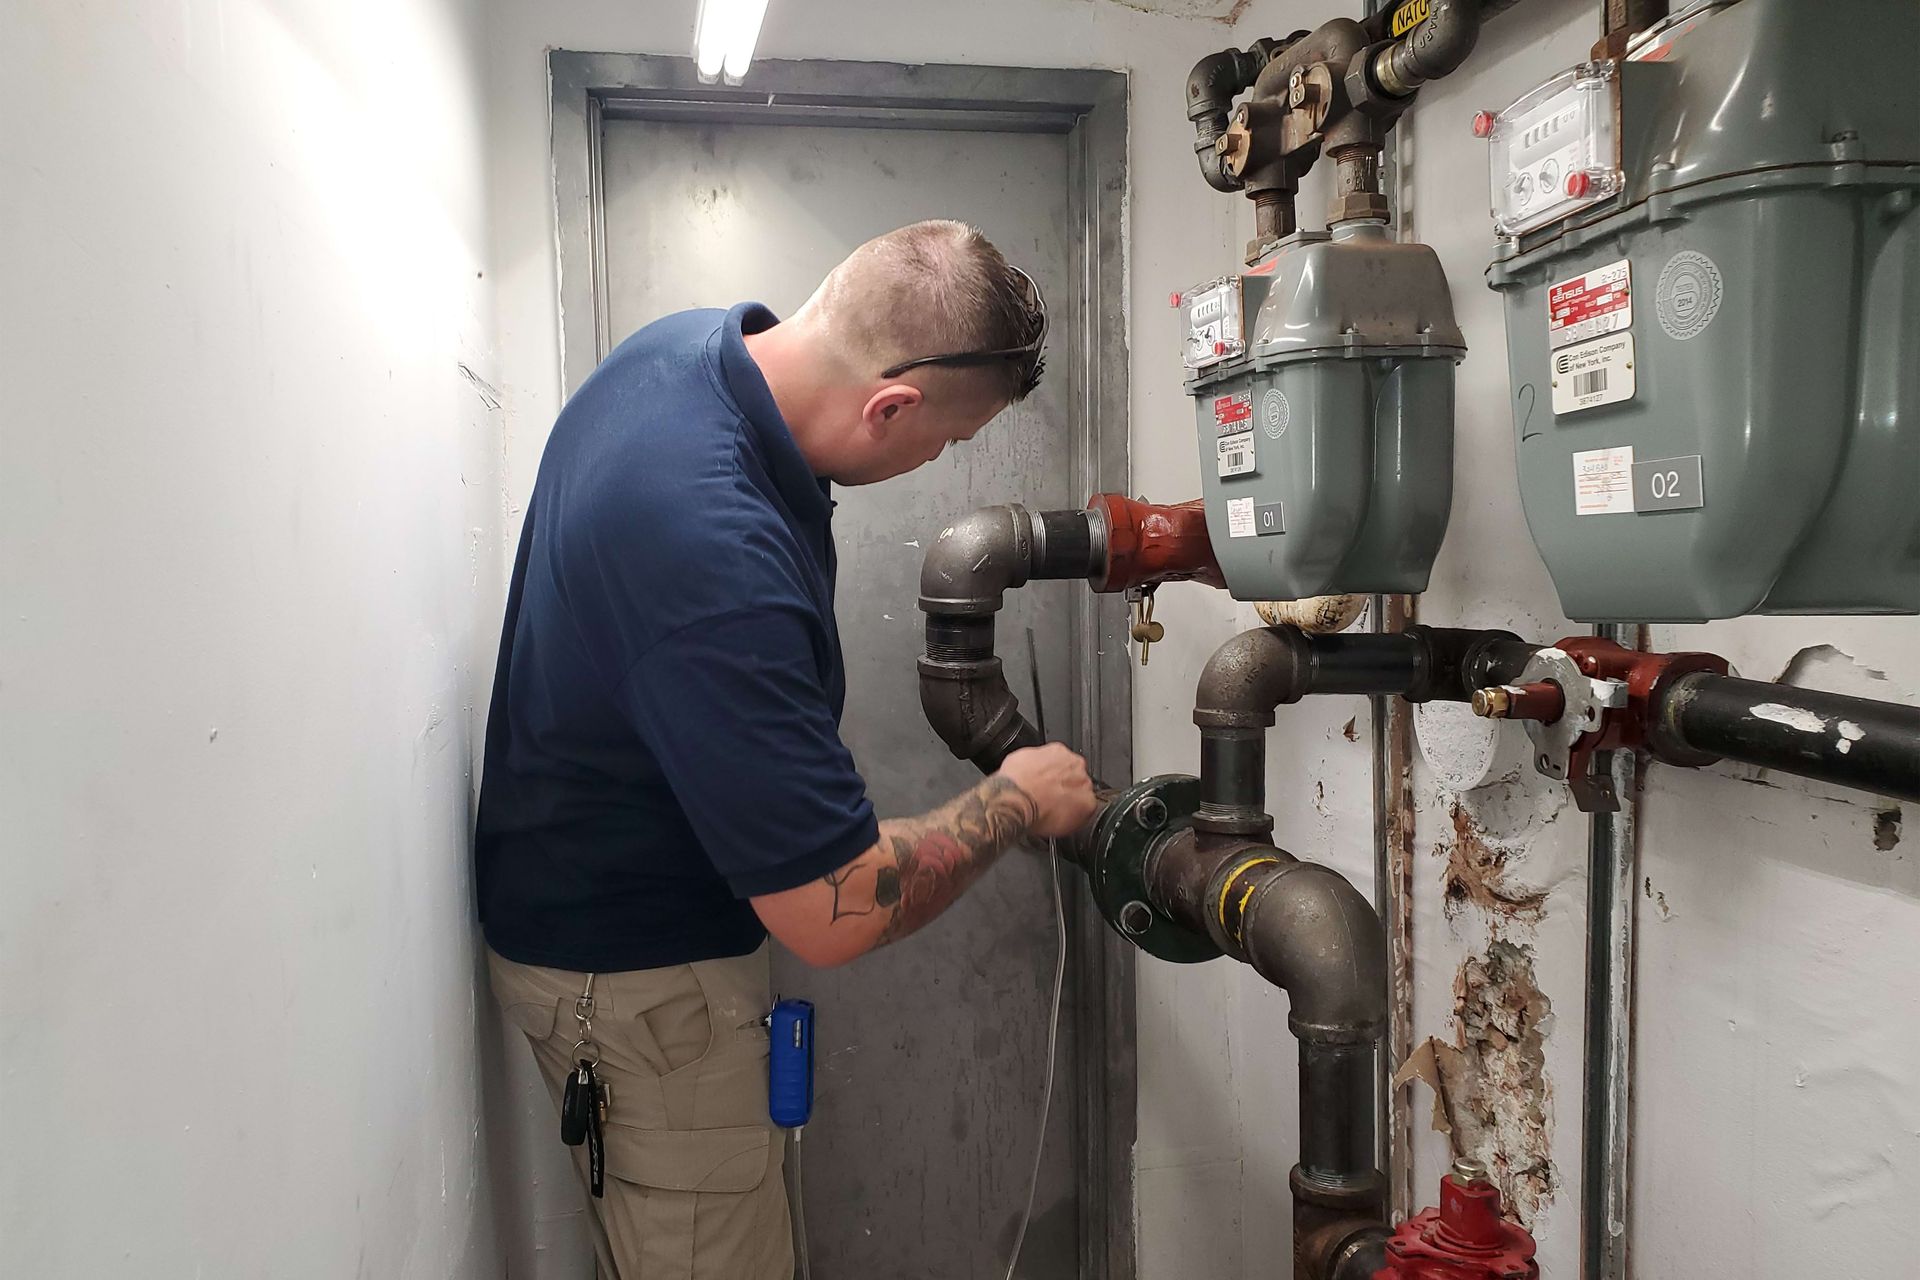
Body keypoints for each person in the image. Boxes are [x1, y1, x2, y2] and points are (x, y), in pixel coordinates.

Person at [474, 220, 1099, 1280]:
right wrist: (1016, 797)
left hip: (621, 935)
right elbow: (832, 905)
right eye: (945, 443)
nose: (935, 463)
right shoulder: (709, 547)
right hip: (637, 986)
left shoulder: (683, 352)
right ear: (891, 405)